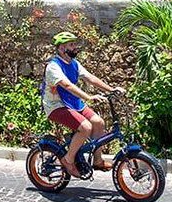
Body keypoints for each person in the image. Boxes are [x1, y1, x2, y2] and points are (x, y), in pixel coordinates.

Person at [41, 32, 125, 178]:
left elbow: (90, 78)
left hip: (73, 103)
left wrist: (112, 89)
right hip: (56, 106)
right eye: (71, 45)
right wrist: (89, 97)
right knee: (85, 127)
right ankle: (68, 160)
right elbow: (66, 85)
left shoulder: (74, 64)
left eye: (75, 44)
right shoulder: (53, 67)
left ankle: (97, 161)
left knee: (98, 122)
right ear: (61, 48)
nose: (75, 47)